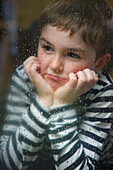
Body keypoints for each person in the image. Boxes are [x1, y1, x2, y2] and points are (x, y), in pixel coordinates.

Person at [0, 0, 113, 169]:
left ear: (99, 63)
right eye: (47, 48)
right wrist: (44, 100)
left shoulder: (103, 90)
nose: (54, 66)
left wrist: (62, 103)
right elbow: (8, 163)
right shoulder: (27, 76)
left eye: (72, 55)